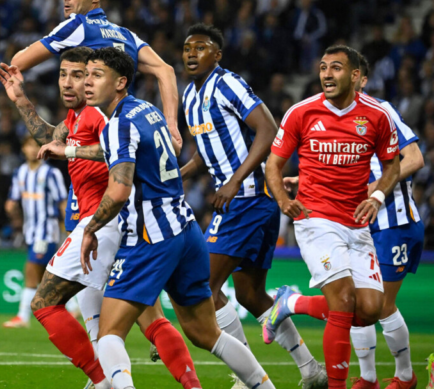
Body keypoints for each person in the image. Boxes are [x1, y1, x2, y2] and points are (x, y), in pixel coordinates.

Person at [0, 47, 200, 389]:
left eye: (80, 75)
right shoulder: (77, 117)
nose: (69, 82)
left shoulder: (100, 114)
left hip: (104, 220)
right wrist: (21, 100)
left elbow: (116, 146)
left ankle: (102, 379)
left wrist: (72, 151)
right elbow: (50, 141)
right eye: (63, 74)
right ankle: (189, 383)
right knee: (143, 317)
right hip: (120, 224)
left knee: (45, 303)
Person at [80, 48, 275, 389]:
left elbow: (119, 191)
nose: (87, 82)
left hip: (151, 238)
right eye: (86, 75)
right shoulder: (148, 111)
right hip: (186, 231)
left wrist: (91, 228)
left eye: (96, 75)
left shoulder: (117, 125)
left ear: (121, 82)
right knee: (206, 333)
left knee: (110, 332)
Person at [179, 24, 326, 388]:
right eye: (187, 48)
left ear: (217, 55)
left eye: (201, 47)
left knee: (203, 286)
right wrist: (178, 175)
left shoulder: (227, 83)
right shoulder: (190, 97)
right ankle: (311, 370)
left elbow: (268, 128)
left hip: (245, 199)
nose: (192, 53)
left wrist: (233, 181)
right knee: (249, 294)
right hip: (252, 203)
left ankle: (249, 378)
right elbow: (207, 151)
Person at [264, 45, 401, 389]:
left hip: (356, 223)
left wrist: (378, 197)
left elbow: (393, 165)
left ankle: (290, 302)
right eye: (323, 67)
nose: (327, 74)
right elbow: (273, 165)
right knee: (342, 300)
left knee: (369, 309)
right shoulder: (301, 112)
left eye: (336, 68)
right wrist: (283, 200)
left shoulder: (377, 115)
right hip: (316, 219)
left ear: (355, 75)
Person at [10, 0, 182, 153]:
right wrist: (171, 124)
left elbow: (17, 63)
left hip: (95, 138)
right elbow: (166, 70)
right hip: (126, 127)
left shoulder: (77, 25)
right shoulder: (126, 35)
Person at [2, 135, 66, 328]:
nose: (32, 150)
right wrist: (11, 207)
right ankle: (72, 307)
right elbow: (13, 199)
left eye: (36, 146)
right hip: (29, 231)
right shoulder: (20, 173)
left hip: (46, 231)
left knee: (31, 269)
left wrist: (69, 229)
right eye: (29, 145)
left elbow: (63, 202)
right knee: (48, 274)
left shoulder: (51, 173)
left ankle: (23, 317)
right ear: (23, 148)